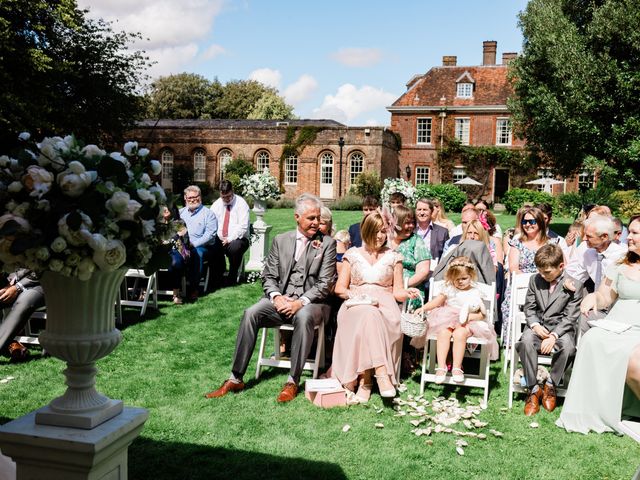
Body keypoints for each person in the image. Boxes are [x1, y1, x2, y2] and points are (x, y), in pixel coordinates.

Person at [205, 194, 337, 403]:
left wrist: (299, 302)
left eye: (318, 218)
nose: (316, 223)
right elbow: (268, 277)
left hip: (312, 305)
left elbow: (325, 284)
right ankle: (236, 377)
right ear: (297, 217)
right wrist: (276, 297)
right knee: (251, 313)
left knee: (303, 317)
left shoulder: (327, 243)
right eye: (311, 218)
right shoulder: (281, 240)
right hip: (281, 300)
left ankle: (292, 381)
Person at [557, 214, 640, 434]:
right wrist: (593, 298)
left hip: (638, 330)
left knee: (634, 362)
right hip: (617, 324)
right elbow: (605, 295)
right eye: (629, 232)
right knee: (592, 339)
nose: (626, 237)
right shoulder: (621, 263)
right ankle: (596, 406)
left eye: (634, 233)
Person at [330, 212, 419, 404]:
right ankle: (381, 374)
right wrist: (358, 297)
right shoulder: (352, 254)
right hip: (355, 304)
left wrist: (407, 293)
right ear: (366, 231)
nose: (381, 236)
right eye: (377, 231)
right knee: (368, 313)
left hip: (385, 305)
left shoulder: (394, 256)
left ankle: (366, 381)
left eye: (383, 231)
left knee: (372, 315)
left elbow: (397, 292)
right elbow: (339, 288)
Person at [516, 244, 584, 416]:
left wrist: (554, 336)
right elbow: (529, 308)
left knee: (568, 348)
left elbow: (570, 317)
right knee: (525, 342)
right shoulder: (535, 280)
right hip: (539, 326)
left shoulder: (575, 285)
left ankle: (551, 385)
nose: (542, 275)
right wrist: (535, 325)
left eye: (547, 272)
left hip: (562, 329)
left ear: (561, 266)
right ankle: (533, 388)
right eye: (540, 271)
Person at [412, 256, 499, 383]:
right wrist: (423, 308)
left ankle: (457, 367)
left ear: (471, 275)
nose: (460, 282)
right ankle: (441, 366)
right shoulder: (449, 288)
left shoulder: (475, 291)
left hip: (468, 321)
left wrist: (469, 317)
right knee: (443, 332)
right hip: (447, 317)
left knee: (460, 333)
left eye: (464, 278)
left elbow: (482, 314)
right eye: (456, 279)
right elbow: (436, 302)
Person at [566, 215, 627, 333]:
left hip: (617, 309)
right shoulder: (586, 252)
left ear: (604, 237)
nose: (584, 239)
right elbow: (575, 275)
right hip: (596, 305)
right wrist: (568, 282)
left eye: (589, 236)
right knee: (581, 318)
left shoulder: (622, 256)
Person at [179, 185, 218, 299]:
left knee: (197, 253)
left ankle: (194, 288)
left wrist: (193, 244)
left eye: (195, 197)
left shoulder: (208, 213)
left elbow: (210, 235)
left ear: (200, 197)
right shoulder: (181, 213)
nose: (192, 200)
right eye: (189, 197)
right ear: (185, 198)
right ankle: (173, 286)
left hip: (203, 247)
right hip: (183, 245)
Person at [210, 180, 250, 287]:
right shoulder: (216, 205)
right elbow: (211, 224)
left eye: (229, 196)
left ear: (232, 191)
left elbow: (243, 227)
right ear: (220, 194)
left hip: (239, 239)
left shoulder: (241, 204)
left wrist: (229, 239)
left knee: (235, 247)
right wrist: (219, 239)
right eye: (224, 197)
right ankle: (216, 276)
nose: (226, 199)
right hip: (220, 239)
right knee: (211, 247)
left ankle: (232, 276)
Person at [0, 269, 45, 360]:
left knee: (24, 301)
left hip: (39, 283)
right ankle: (9, 343)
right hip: (10, 280)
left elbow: (41, 270)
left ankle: (5, 344)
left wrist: (18, 286)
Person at [414, 198, 449, 268]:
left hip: (433, 272)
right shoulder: (410, 230)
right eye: (419, 209)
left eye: (425, 210)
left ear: (431, 211)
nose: (422, 213)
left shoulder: (442, 232)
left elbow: (446, 256)